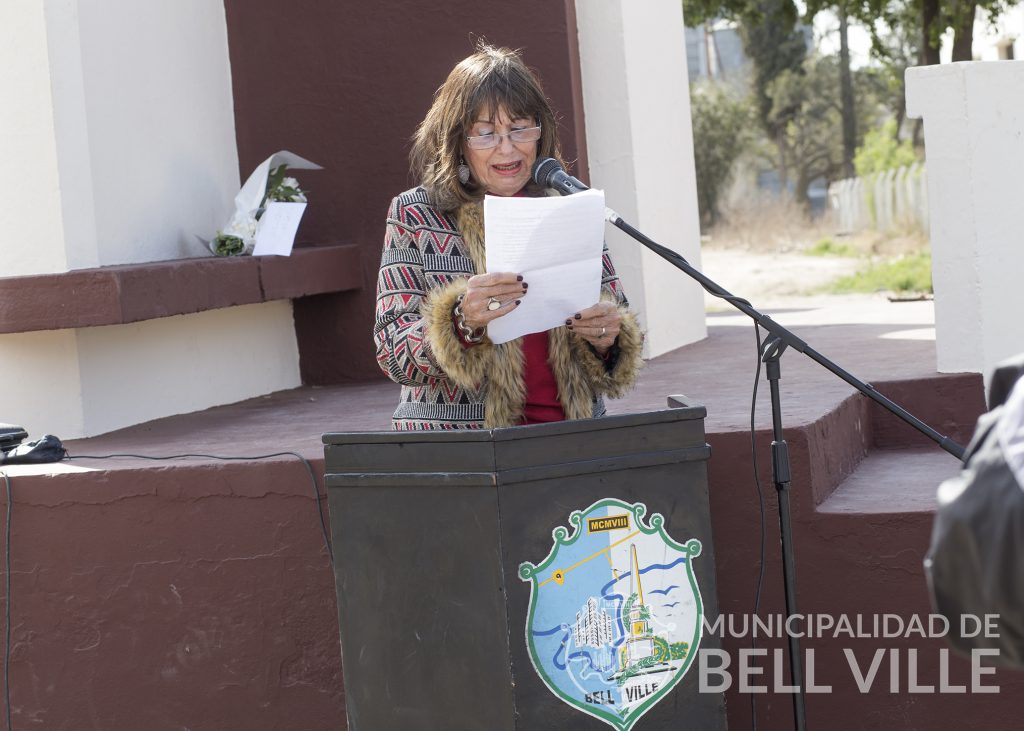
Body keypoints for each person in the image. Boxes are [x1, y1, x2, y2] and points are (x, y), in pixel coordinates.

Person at [374, 43, 643, 430]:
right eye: (485, 134)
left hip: (573, 438)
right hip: (463, 452)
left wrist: (606, 336)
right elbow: (391, 349)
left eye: (519, 129)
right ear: (457, 142)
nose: (507, 147)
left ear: (540, 130)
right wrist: (461, 322)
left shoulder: (568, 203)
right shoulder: (417, 213)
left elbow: (615, 317)